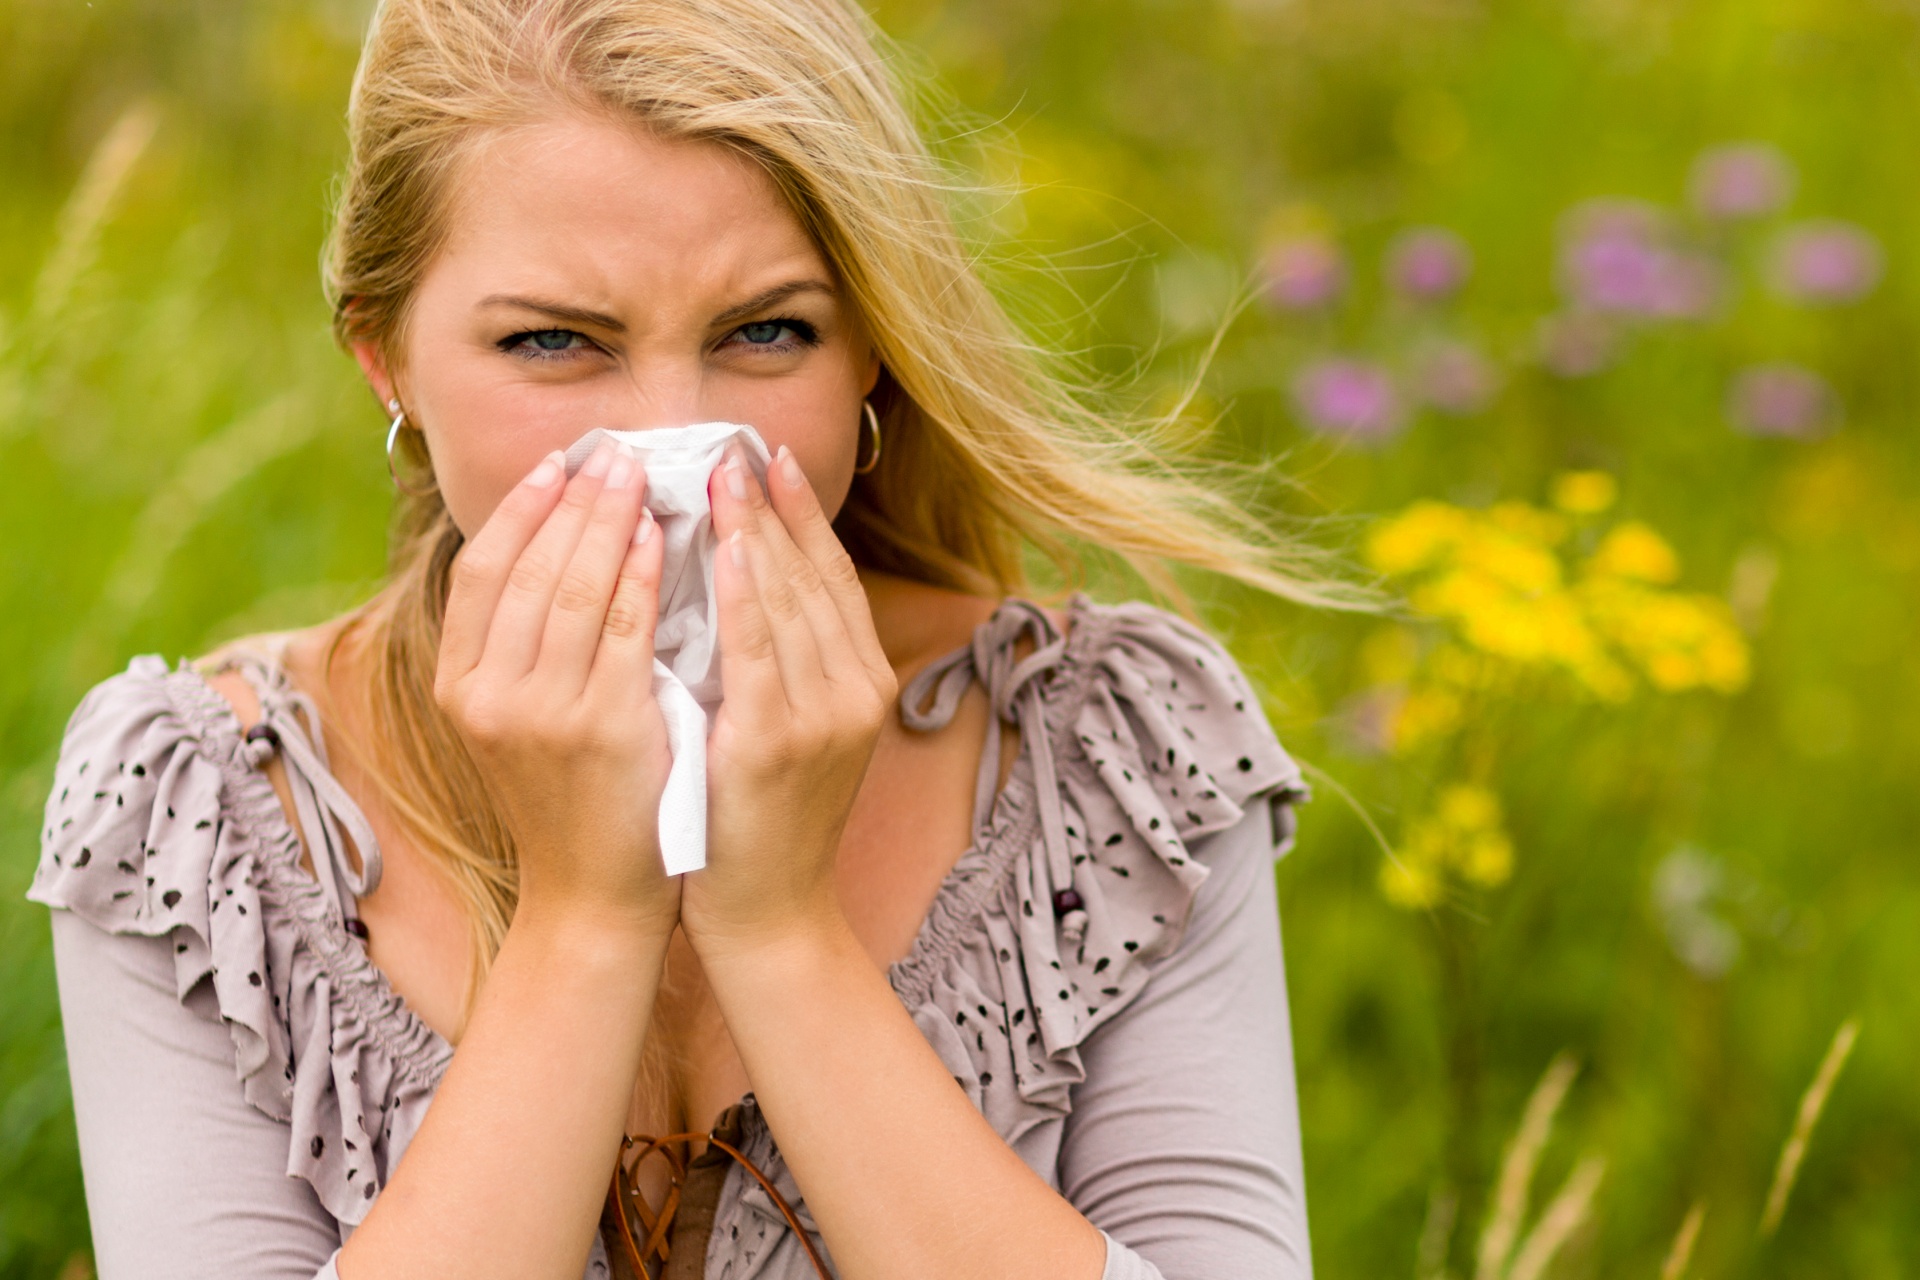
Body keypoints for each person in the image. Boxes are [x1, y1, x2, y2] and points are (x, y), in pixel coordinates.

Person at [31, 2, 1337, 1276]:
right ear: (387, 359)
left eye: (765, 332)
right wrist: (586, 920)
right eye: (553, 342)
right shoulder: (204, 812)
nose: (676, 451)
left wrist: (781, 936)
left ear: (873, 346)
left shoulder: (1108, 752)